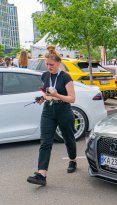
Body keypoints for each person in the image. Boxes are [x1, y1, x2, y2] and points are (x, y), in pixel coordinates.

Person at [27, 45, 77, 186]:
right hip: (48, 111)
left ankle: (72, 160)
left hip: (63, 110)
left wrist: (56, 95)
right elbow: (47, 92)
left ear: (59, 63)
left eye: (52, 64)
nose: (49, 67)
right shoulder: (45, 75)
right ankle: (41, 174)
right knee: (45, 142)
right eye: (47, 64)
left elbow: (72, 99)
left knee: (68, 138)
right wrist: (43, 98)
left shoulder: (65, 77)